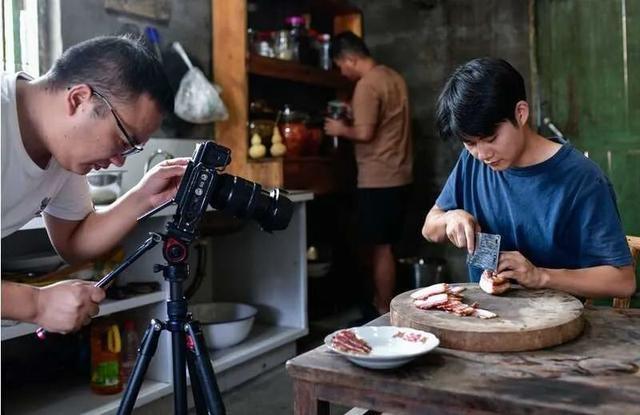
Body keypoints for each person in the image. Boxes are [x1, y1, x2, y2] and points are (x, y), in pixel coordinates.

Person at [1, 36, 189, 333]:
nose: (119, 161)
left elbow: (73, 242)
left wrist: (144, 197)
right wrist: (35, 304)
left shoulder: (63, 149)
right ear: (78, 100)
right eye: (122, 140)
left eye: (131, 149)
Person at [422, 57, 635, 298]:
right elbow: (430, 228)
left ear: (521, 113)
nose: (482, 154)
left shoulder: (582, 179)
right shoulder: (471, 162)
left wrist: (540, 276)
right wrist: (450, 218)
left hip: (556, 318)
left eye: (491, 139)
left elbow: (623, 282)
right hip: (485, 315)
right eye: (470, 143)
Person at [324, 31, 413, 315]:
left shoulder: (366, 85)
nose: (342, 72)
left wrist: (339, 129)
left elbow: (365, 133)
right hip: (400, 173)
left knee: (380, 248)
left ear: (350, 59)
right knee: (389, 246)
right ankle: (384, 304)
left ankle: (383, 310)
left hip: (378, 177)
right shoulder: (393, 77)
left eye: (341, 65)